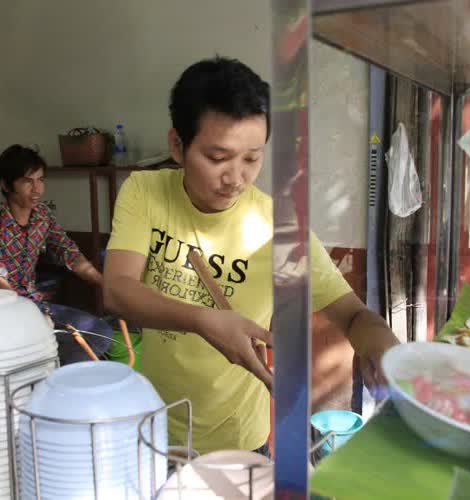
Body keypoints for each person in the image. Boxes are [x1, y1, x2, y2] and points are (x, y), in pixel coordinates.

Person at [103, 57, 399, 455]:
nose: (235, 178)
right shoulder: (144, 192)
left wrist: (381, 342)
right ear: (177, 145)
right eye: (217, 158)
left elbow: (352, 315)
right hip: (153, 428)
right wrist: (203, 321)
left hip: (239, 440)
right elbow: (117, 290)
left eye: (251, 158)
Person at [0, 145, 104, 343]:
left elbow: (68, 251)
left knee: (99, 334)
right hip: (5, 310)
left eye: (40, 180)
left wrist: (102, 282)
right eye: (27, 181)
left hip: (34, 302)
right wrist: (28, 315)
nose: (37, 189)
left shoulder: (43, 215)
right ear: (6, 185)